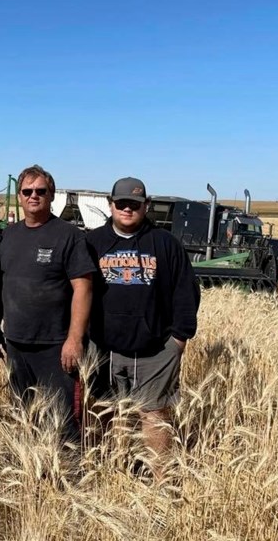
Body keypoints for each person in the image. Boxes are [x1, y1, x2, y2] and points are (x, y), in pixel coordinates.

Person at [85, 176, 200, 481]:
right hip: (104, 348)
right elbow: (77, 290)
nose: (127, 208)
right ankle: (108, 473)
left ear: (145, 206)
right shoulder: (93, 242)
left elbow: (186, 291)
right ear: (110, 205)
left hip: (155, 349)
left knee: (154, 415)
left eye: (134, 204)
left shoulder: (164, 244)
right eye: (121, 203)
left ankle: (160, 479)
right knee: (104, 412)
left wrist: (179, 339)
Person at [0, 165, 95, 444]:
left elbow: (83, 288)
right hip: (16, 344)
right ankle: (30, 475)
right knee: (24, 414)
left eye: (41, 191)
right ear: (19, 196)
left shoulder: (69, 236)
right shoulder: (10, 235)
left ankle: (68, 478)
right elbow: (0, 284)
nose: (34, 196)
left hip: (55, 347)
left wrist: (74, 339)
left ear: (52, 195)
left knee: (63, 420)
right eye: (27, 191)